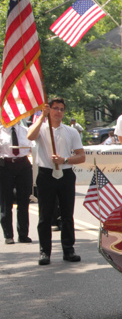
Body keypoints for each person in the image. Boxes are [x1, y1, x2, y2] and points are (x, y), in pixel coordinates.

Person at [26, 98, 86, 265]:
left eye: (61, 109)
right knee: (45, 216)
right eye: (55, 108)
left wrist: (64, 160)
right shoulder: (41, 128)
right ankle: (45, 251)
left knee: (67, 215)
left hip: (65, 175)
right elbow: (30, 136)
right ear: (49, 110)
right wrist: (41, 117)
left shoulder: (71, 131)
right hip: (46, 174)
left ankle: (69, 249)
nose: (58, 112)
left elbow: (81, 156)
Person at [0, 122, 33, 244]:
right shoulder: (1, 131)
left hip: (23, 165)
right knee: (5, 203)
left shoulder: (26, 130)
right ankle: (8, 235)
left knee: (24, 202)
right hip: (5, 165)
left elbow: (32, 147)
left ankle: (23, 234)